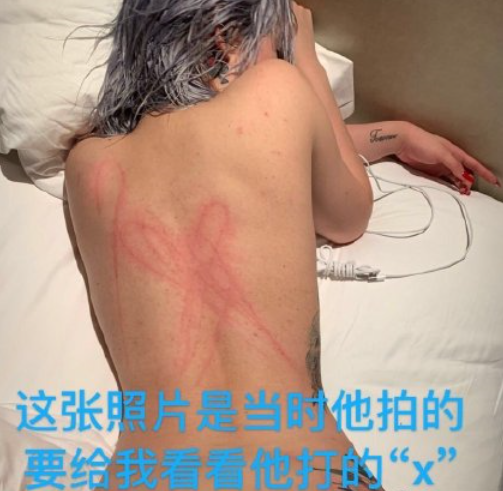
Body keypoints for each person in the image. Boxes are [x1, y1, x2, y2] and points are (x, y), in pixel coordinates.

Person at [65, 1, 498, 489]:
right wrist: (306, 55)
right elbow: (348, 214)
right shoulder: (276, 88)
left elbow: (238, 147)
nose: (281, 59)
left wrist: (393, 136)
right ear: (226, 40)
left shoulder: (86, 165)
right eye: (277, 45)